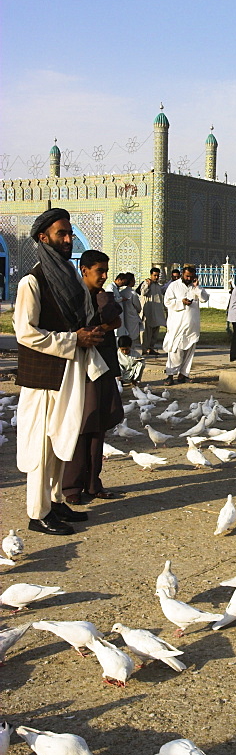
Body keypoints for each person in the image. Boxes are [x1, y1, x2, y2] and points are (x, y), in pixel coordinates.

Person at [13, 208, 108, 535]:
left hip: (68, 375)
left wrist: (89, 335)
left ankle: (55, 503)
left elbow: (77, 322)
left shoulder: (69, 278)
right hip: (43, 378)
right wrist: (73, 339)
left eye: (69, 234)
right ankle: (37, 513)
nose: (68, 240)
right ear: (43, 238)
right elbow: (26, 333)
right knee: (40, 445)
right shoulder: (32, 282)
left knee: (60, 442)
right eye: (61, 234)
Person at [61, 250, 125, 505]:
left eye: (106, 271)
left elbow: (115, 319)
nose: (104, 276)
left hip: (103, 368)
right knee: (81, 424)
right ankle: (71, 486)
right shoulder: (72, 296)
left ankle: (93, 482)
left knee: (98, 426)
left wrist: (103, 305)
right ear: (84, 269)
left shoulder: (102, 296)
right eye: (100, 271)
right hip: (80, 368)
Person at [162, 264, 209, 383]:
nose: (188, 278)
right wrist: (181, 302)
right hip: (177, 325)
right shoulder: (174, 286)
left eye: (191, 276)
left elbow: (204, 298)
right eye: (187, 276)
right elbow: (167, 302)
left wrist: (197, 287)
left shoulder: (195, 286)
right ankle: (170, 374)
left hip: (192, 326)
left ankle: (183, 375)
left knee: (189, 351)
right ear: (183, 274)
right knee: (175, 351)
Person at [139, 267, 166, 355]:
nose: (156, 277)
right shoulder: (146, 283)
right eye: (155, 275)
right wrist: (148, 284)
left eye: (158, 275)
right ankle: (145, 349)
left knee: (155, 332)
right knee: (147, 332)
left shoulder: (158, 285)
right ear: (151, 275)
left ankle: (151, 348)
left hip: (157, 312)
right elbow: (143, 292)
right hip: (148, 312)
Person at [119, 272, 142, 354]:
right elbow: (138, 307)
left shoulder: (121, 293)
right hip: (132, 318)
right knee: (132, 339)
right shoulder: (133, 294)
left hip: (123, 318)